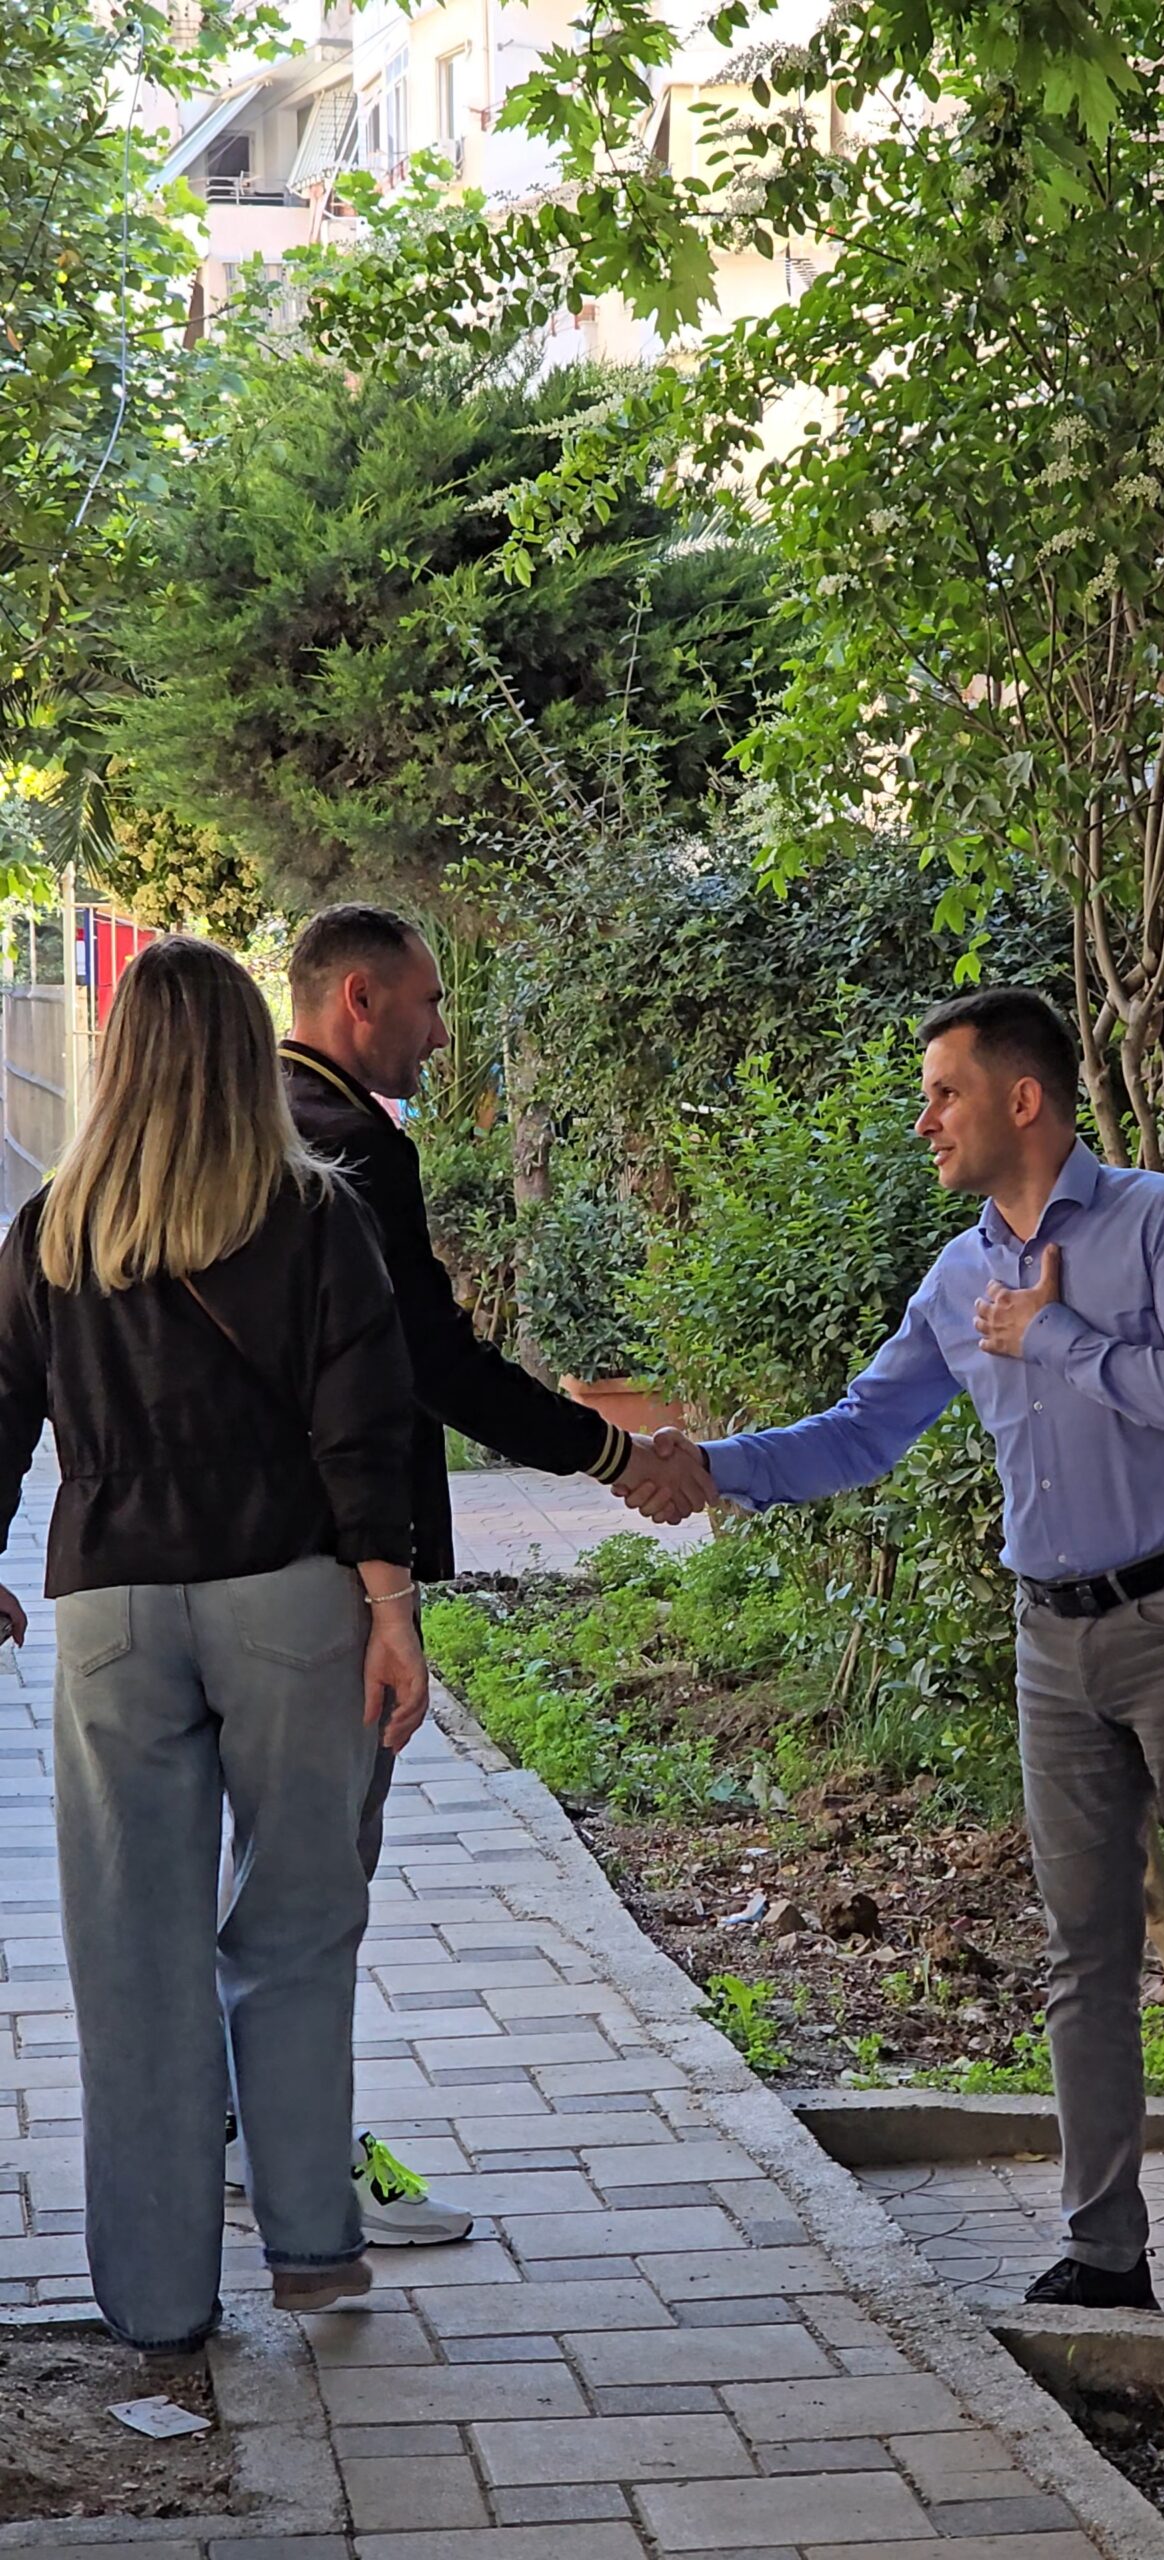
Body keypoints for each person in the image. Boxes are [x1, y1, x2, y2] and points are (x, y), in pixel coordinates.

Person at [628, 989, 1164, 2322]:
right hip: (1052, 1641)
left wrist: (1058, 1338)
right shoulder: (958, 1278)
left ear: (1023, 1100)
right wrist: (708, 1468)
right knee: (1084, 1953)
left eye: (943, 1094)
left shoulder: (1160, 1221)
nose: (926, 1122)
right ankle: (1106, 2254)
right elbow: (862, 1430)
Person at [0, 937, 426, 2355]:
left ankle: (159, 2300)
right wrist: (391, 1612)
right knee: (297, 1925)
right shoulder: (315, 1216)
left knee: (131, 1956)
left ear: (119, 1061)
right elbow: (365, 1427)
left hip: (107, 1608)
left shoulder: (55, 1229)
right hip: (287, 1598)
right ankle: (307, 2243)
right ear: (248, 1055)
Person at [266, 903, 705, 2246]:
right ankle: (300, 2164)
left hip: (222, 1564)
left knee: (262, 1877)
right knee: (315, 1884)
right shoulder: (350, 1146)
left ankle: (249, 2138)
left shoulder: (239, 1120)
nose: (443, 1032)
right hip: (335, 1566)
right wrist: (612, 1453)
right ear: (358, 998)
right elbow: (432, 1365)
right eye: (428, 1002)